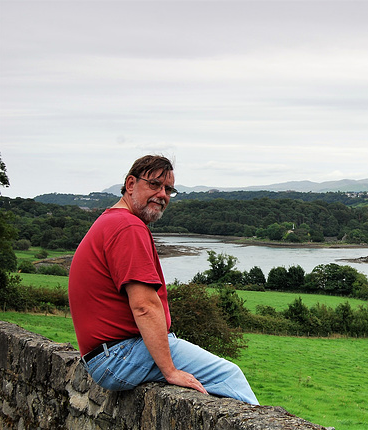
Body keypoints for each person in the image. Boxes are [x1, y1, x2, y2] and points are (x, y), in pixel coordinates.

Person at [68, 155, 258, 405]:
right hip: (119, 355)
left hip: (106, 356)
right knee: (228, 376)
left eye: (168, 189)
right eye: (154, 185)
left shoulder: (111, 220)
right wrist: (170, 371)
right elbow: (144, 306)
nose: (162, 194)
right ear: (130, 183)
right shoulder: (128, 227)